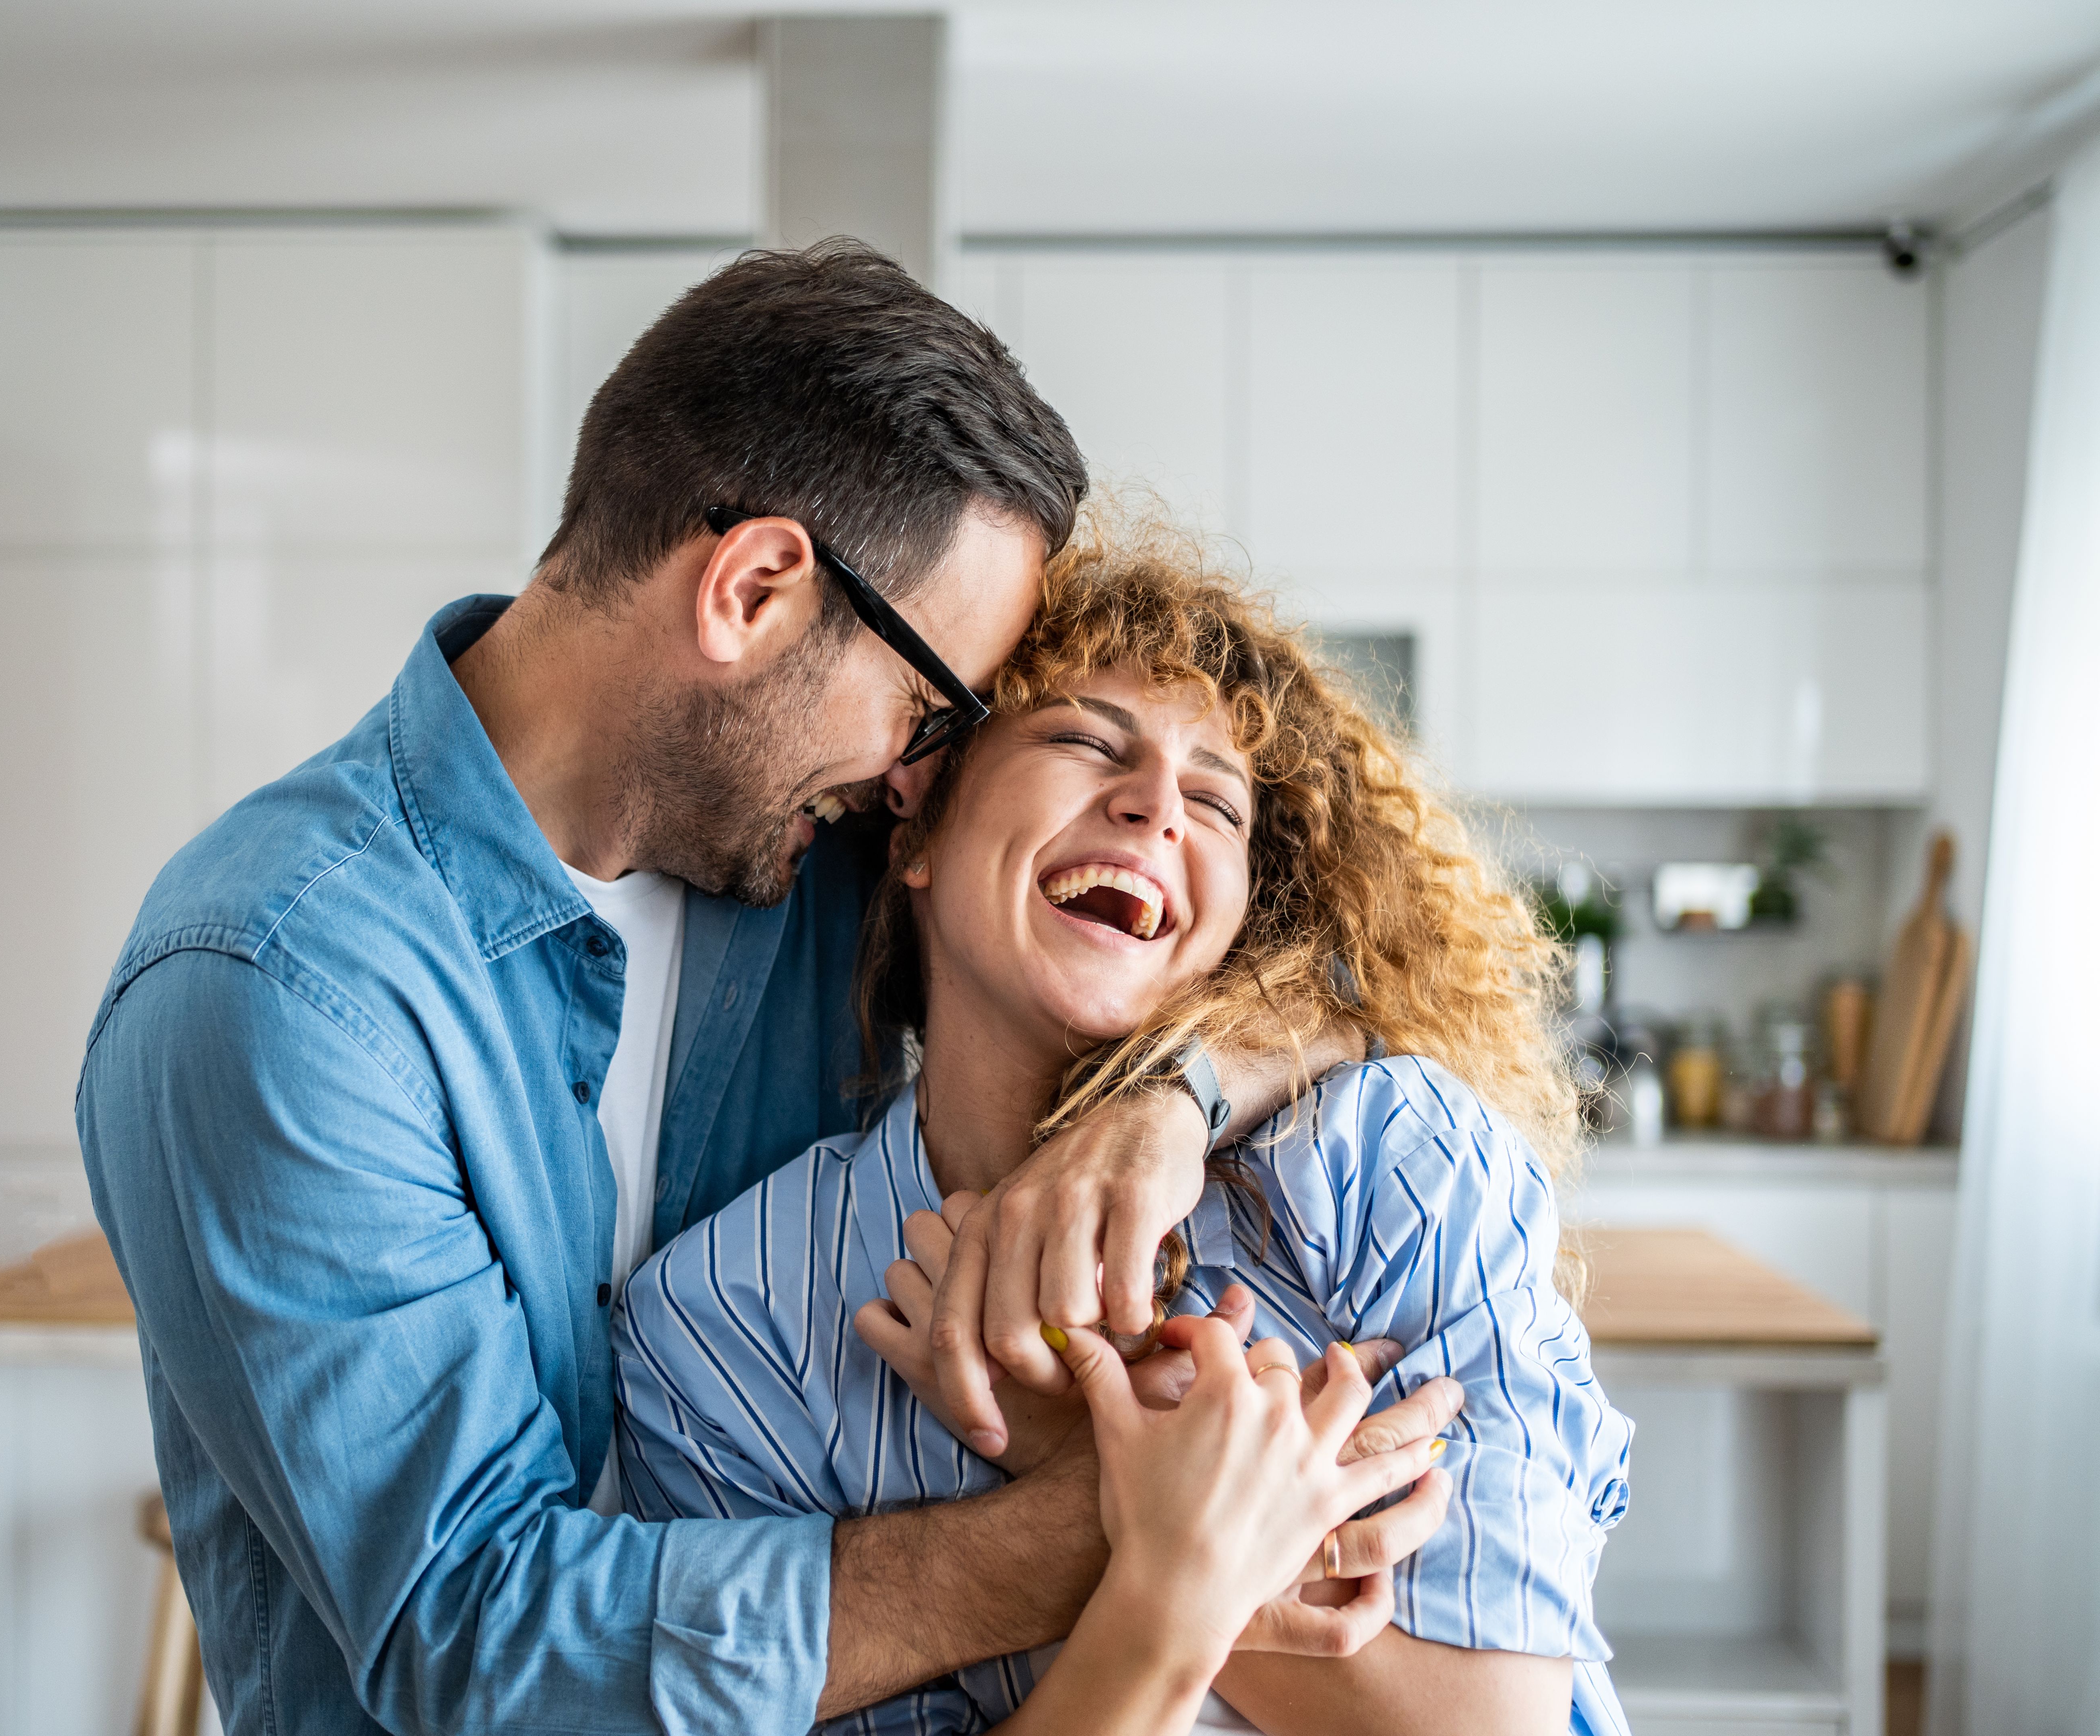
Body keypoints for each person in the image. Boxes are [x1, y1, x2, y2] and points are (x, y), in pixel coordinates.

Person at [78, 242, 1459, 1734]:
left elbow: (1312, 965)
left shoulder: (813, 854)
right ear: (753, 591)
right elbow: (484, 1650)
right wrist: (1150, 1527)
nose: (927, 771)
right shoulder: (272, 989)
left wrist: (1172, 1105)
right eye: (930, 705)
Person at [615, 515, 1635, 1733]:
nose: (1157, 806)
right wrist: (1180, 1560)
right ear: (925, 825)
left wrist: (1080, 1458)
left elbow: (1501, 1725)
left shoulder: (1390, 1161)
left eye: (1218, 804)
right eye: (1085, 743)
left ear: (1245, 913)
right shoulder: (728, 1324)